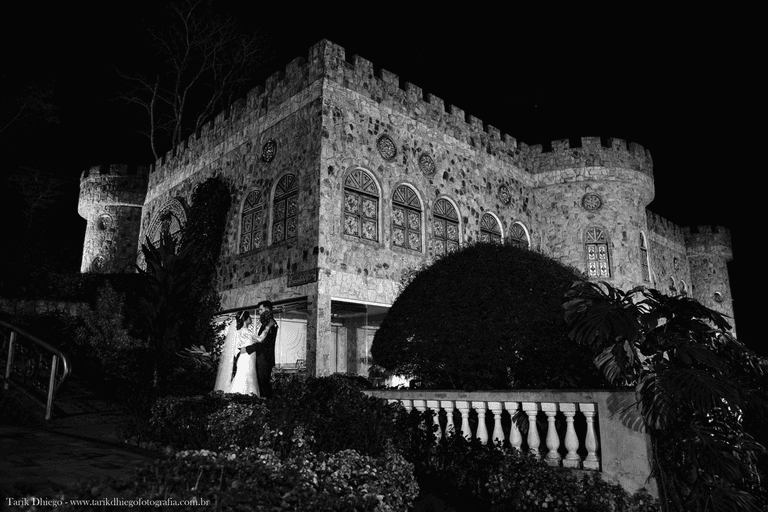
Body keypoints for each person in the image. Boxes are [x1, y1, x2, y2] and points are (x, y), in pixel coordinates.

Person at [245, 301, 278, 398]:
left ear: (267, 310)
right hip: (262, 357)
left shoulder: (271, 324)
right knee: (261, 383)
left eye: (261, 310)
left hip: (265, 357)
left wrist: (248, 349)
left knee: (263, 383)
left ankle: (267, 406)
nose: (259, 312)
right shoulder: (266, 324)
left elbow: (264, 343)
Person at [228, 310, 261, 395]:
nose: (251, 318)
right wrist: (268, 327)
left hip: (243, 357)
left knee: (242, 376)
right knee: (248, 376)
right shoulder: (246, 331)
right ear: (245, 319)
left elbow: (238, 347)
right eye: (249, 316)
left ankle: (238, 395)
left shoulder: (239, 332)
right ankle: (248, 396)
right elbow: (260, 339)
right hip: (248, 357)